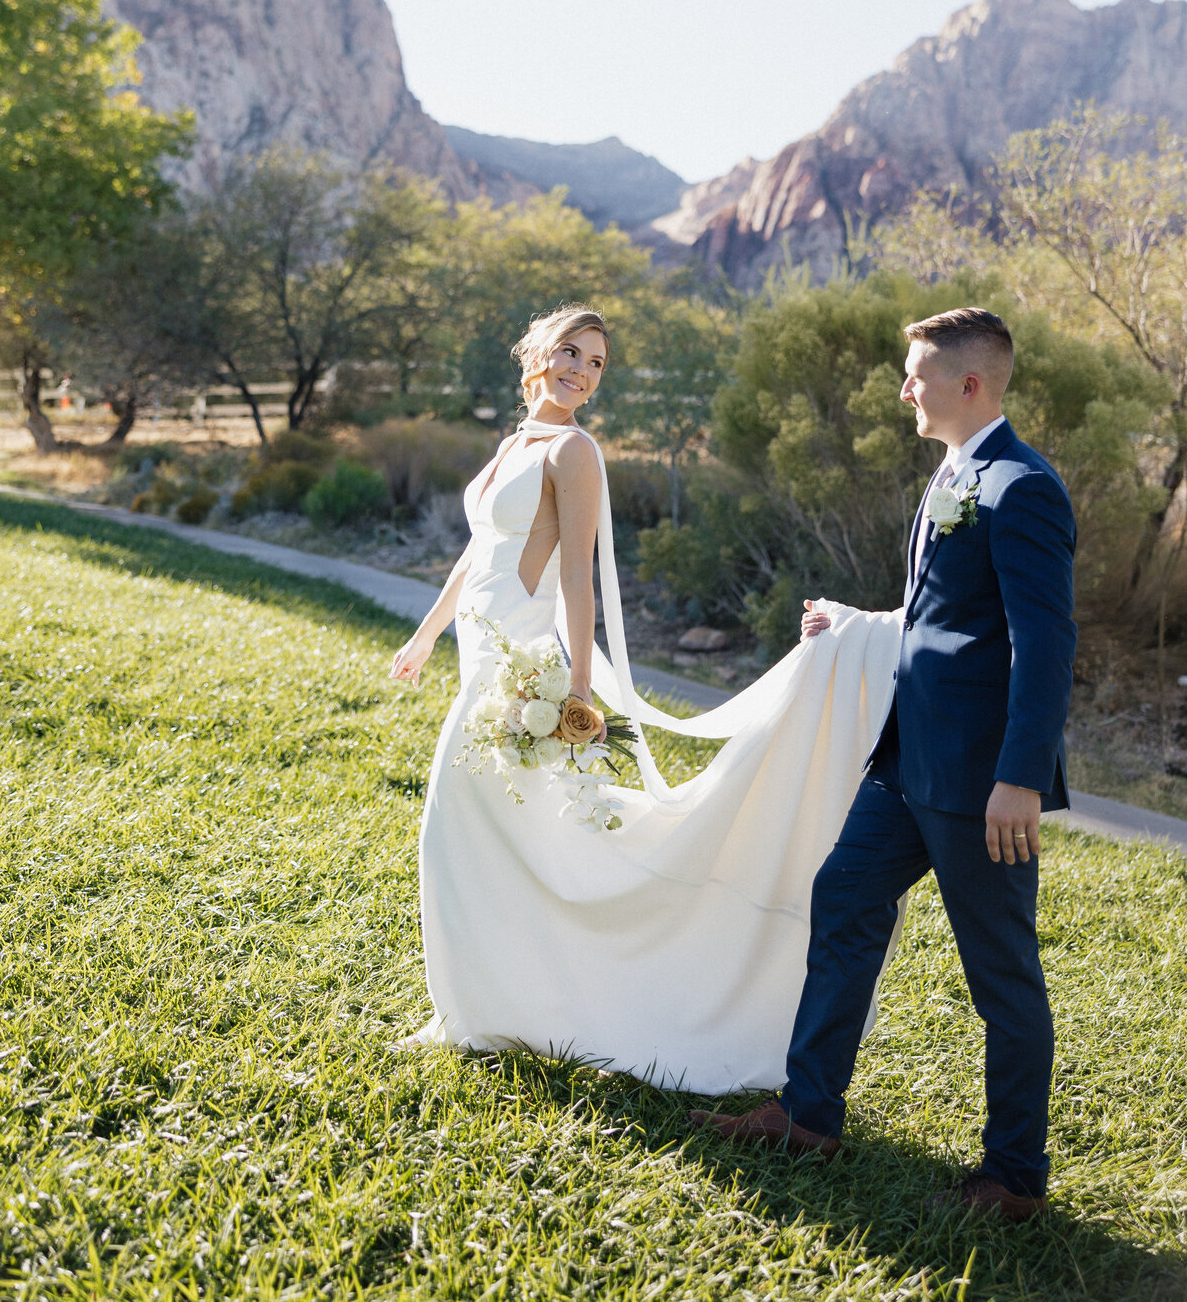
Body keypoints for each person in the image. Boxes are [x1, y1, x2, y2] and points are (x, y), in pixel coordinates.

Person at [390, 305, 906, 1093]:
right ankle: (484, 1009)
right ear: (538, 354)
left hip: (523, 662)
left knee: (464, 824)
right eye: (571, 352)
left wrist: (578, 694)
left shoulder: (575, 450)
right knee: (494, 833)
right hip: (476, 647)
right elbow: (478, 551)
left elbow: (577, 580)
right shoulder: (514, 445)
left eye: (595, 364)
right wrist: (426, 634)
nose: (581, 372)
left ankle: (508, 1006)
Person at [690, 308, 1077, 1222]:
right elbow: (950, 620)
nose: (904, 388)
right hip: (906, 764)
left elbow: (1044, 643)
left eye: (916, 374)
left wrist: (1020, 777)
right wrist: (861, 624)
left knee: (1002, 976)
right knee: (845, 901)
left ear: (969, 385)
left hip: (982, 784)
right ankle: (810, 1115)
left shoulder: (1022, 487)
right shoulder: (954, 474)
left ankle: (1015, 1178)